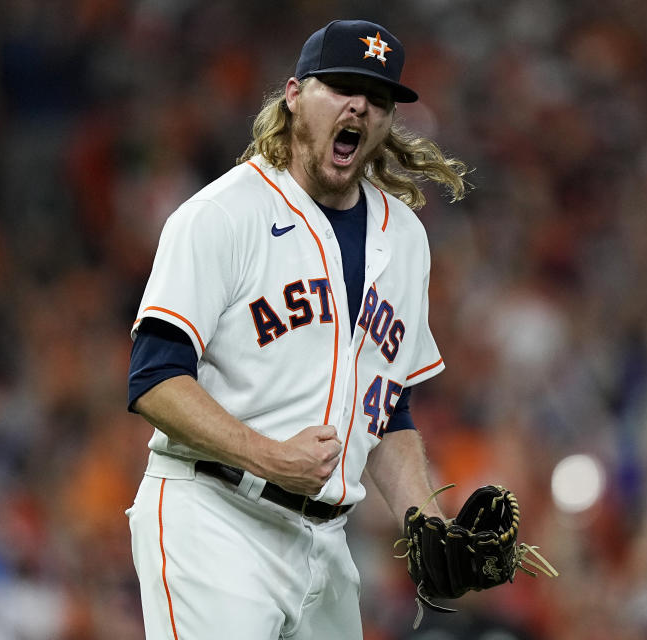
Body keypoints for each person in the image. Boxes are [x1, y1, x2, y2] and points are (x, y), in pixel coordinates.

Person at [125, 18, 469, 639]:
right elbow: (154, 380)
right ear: (292, 94)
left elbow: (386, 412)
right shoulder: (221, 216)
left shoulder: (406, 238)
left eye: (378, 98)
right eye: (340, 86)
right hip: (214, 517)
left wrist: (426, 522)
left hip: (327, 544)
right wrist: (269, 457)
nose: (359, 105)